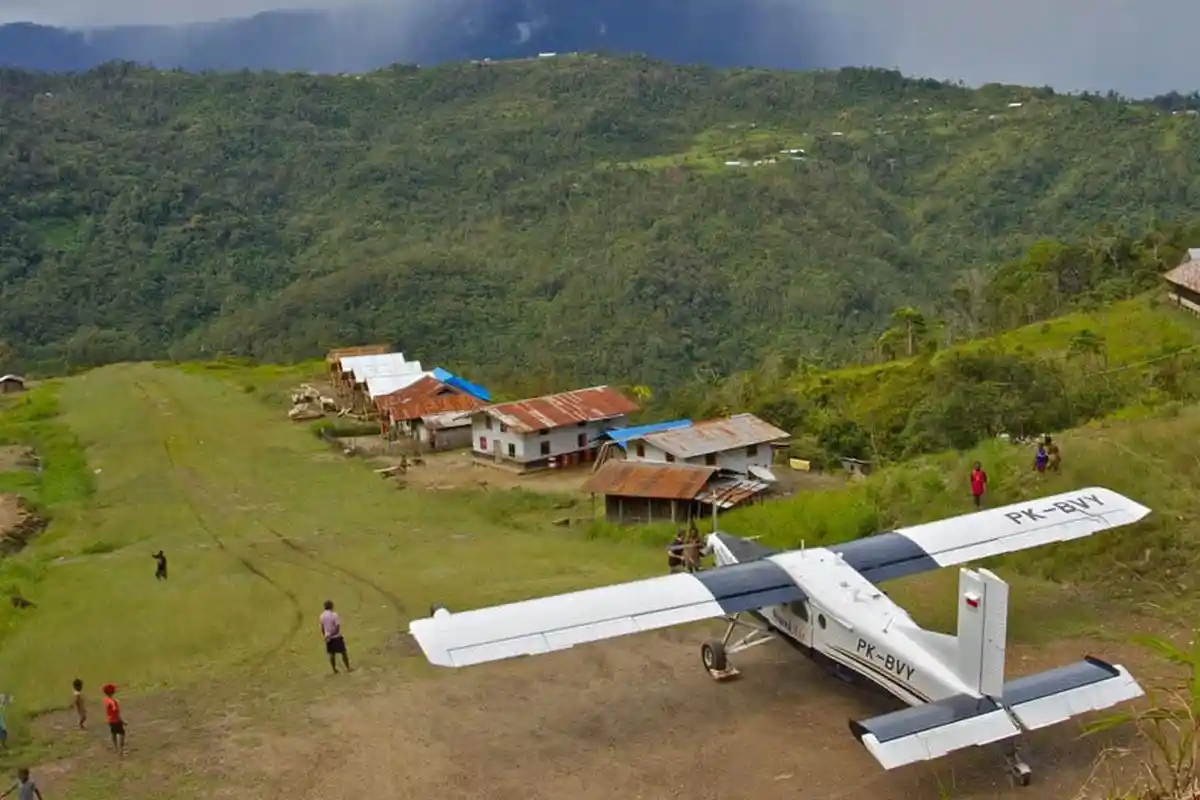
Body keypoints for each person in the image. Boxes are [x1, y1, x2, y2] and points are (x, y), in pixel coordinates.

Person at [319, 601, 352, 674]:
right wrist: (332, 634)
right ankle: (348, 667)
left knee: (332, 654)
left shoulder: (322, 616)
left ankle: (334, 670)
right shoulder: (334, 615)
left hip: (328, 637)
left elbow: (322, 627)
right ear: (331, 606)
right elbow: (337, 627)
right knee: (343, 652)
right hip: (336, 636)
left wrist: (325, 635)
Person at [101, 684, 125, 758]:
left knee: (113, 733)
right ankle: (120, 750)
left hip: (110, 720)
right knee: (122, 733)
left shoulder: (105, 700)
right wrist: (122, 720)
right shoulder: (112, 701)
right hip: (116, 720)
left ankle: (115, 747)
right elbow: (115, 710)